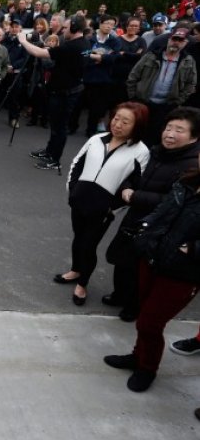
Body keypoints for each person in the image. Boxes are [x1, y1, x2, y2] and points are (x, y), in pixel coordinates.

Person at [104, 149, 200, 392]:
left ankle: (147, 368)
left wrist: (192, 249)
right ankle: (137, 356)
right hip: (152, 258)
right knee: (144, 314)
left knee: (149, 323)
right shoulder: (188, 180)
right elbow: (163, 211)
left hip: (183, 273)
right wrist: (145, 232)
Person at [104, 107, 200, 321]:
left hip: (159, 227)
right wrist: (127, 187)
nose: (170, 134)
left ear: (194, 137)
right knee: (123, 260)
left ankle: (133, 306)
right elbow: (135, 173)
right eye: (169, 128)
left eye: (179, 130)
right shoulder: (155, 152)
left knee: (140, 269)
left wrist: (135, 196)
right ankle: (119, 295)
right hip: (135, 217)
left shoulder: (192, 165)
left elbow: (173, 202)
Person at [55, 102, 150, 305]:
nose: (118, 124)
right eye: (116, 118)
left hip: (103, 211)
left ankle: (83, 283)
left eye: (126, 122)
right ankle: (75, 270)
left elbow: (135, 184)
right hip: (79, 201)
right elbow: (76, 165)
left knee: (89, 245)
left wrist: (112, 209)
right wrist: (72, 192)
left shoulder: (141, 151)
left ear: (137, 125)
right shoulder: (96, 139)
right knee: (78, 238)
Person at [21, 15, 91, 170]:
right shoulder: (85, 43)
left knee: (60, 127)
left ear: (74, 28)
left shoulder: (71, 46)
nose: (63, 31)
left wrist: (23, 40)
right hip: (67, 90)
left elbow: (39, 53)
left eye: (65, 28)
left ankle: (54, 159)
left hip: (65, 93)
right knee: (56, 125)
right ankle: (49, 151)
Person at [127, 27, 197, 147]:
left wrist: (178, 101)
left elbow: (191, 84)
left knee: (157, 136)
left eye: (180, 40)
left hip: (167, 105)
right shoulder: (151, 55)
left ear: (185, 43)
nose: (176, 42)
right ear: (169, 39)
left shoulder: (188, 61)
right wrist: (134, 97)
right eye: (174, 39)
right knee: (138, 132)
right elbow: (133, 76)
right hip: (143, 102)